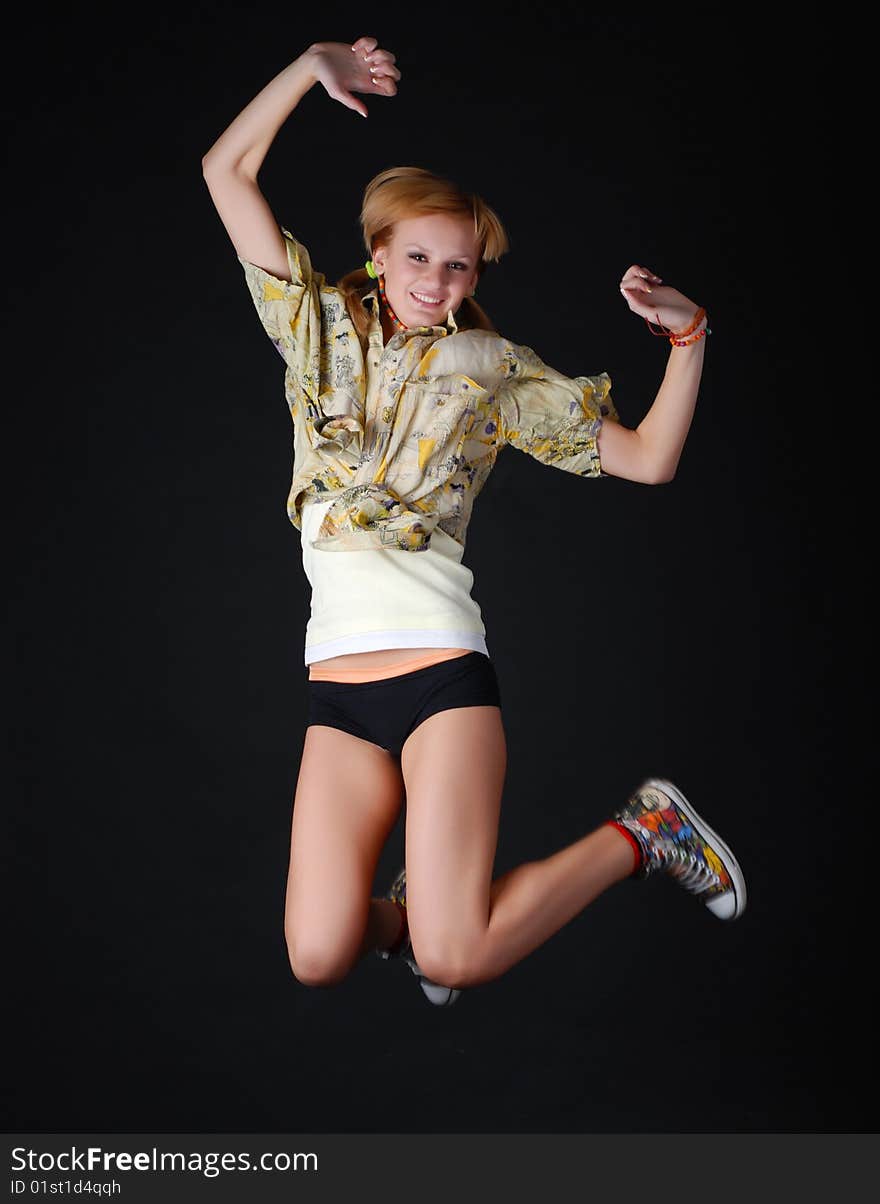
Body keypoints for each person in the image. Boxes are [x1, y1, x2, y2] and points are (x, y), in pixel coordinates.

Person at [201, 34, 746, 1009]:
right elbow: (224, 170)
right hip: (337, 686)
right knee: (317, 952)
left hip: (440, 671)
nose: (435, 283)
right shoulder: (313, 327)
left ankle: (644, 835)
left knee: (456, 958)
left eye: (458, 268)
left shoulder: (490, 369)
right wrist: (308, 66)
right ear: (376, 250)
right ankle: (427, 905)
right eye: (417, 257)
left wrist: (688, 339)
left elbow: (649, 460)